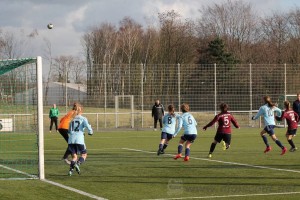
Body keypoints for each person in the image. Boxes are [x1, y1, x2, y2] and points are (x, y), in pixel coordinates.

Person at [68, 103, 93, 176]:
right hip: (79, 139)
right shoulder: (83, 118)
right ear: (81, 110)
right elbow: (88, 126)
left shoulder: (72, 120)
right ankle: (78, 164)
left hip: (71, 140)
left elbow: (69, 131)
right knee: (84, 154)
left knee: (74, 157)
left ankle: (70, 171)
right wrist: (90, 132)